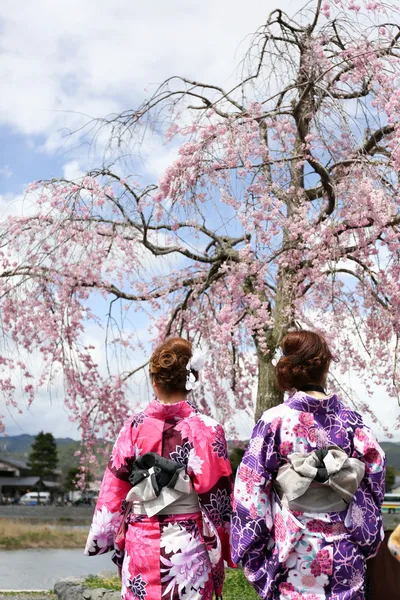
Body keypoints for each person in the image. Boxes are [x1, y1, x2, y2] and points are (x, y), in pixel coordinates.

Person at [231, 329, 386, 600]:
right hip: (344, 551)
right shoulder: (352, 421)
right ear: (325, 366)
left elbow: (250, 489)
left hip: (292, 551)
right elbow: (375, 470)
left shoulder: (273, 421)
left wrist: (255, 553)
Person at [85, 337, 233, 599]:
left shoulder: (132, 427)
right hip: (187, 547)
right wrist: (230, 541)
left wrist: (102, 535)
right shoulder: (209, 429)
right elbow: (218, 497)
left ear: (154, 380)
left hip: (141, 539)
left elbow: (114, 489)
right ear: (192, 380)